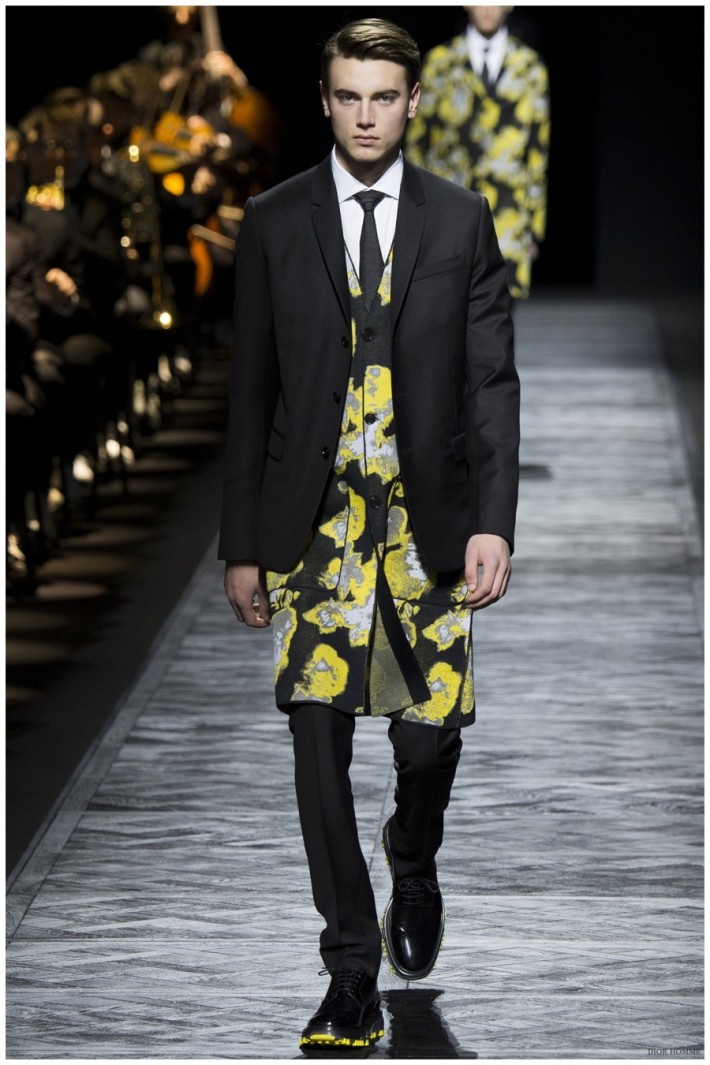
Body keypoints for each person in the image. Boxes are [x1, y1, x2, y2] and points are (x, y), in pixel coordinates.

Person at [219, 17, 519, 1050]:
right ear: (324, 98)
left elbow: (490, 383)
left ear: (412, 102)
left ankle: (414, 852)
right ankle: (348, 969)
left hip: (427, 522)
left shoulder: (461, 219)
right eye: (347, 95)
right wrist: (242, 541)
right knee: (316, 741)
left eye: (383, 97)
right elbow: (249, 391)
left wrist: (493, 523)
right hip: (314, 528)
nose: (364, 115)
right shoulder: (273, 221)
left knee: (426, 741)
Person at [405, 6, 549, 299]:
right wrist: (412, 213)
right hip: (446, 209)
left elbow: (537, 151)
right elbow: (417, 142)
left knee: (500, 311)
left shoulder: (530, 67)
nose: (487, 7)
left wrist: (534, 228)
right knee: (445, 309)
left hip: (509, 214)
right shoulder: (439, 62)